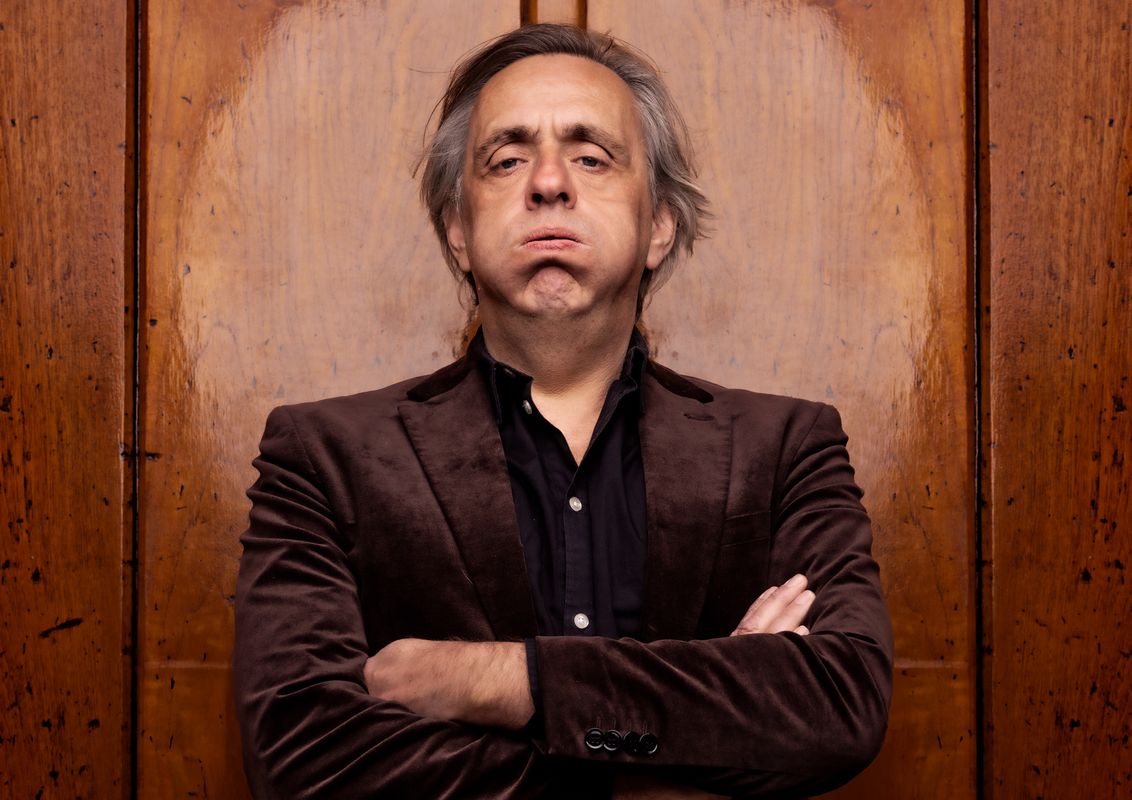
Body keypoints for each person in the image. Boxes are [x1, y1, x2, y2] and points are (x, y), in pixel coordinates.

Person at [234, 23, 892, 800]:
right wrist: (686, 740)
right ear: (457, 230)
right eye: (507, 159)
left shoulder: (786, 448)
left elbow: (839, 702)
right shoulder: (321, 456)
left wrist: (503, 680)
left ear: (659, 225)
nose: (549, 182)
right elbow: (305, 754)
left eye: (591, 156)